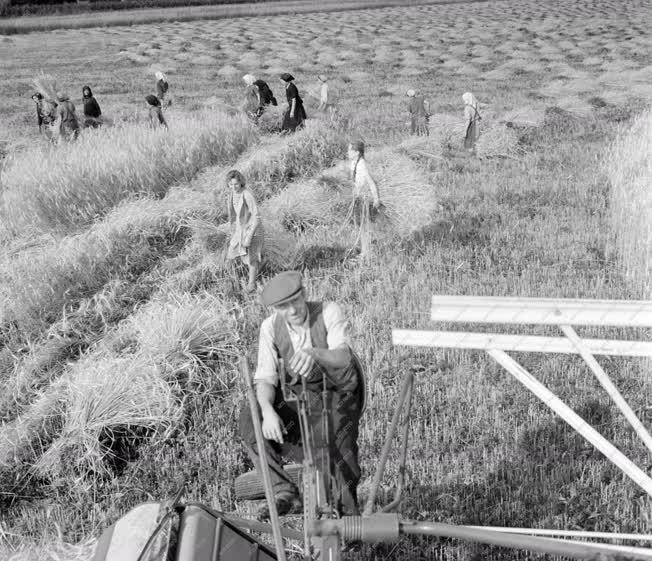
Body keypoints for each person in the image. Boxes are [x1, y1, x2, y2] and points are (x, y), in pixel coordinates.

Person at [238, 271, 365, 519]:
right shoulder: (270, 328)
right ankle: (284, 493)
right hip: (300, 395)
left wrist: (315, 353)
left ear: (304, 294)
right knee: (250, 419)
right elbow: (265, 378)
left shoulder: (328, 311)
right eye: (283, 306)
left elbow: (343, 356)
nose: (293, 310)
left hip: (337, 391)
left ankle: (348, 519)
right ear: (275, 308)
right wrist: (268, 411)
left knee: (336, 448)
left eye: (296, 300)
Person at [225, 169, 263, 293]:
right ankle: (233, 280)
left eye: (236, 184)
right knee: (230, 254)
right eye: (231, 184)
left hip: (252, 229)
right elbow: (234, 214)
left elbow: (257, 217)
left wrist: (249, 237)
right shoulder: (231, 194)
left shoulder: (247, 194)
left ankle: (251, 285)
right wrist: (231, 228)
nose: (233, 187)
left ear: (241, 182)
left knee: (251, 257)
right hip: (240, 229)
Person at [348, 140, 382, 224]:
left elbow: (371, 183)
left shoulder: (362, 165)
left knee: (363, 221)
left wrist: (376, 199)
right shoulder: (353, 162)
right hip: (357, 195)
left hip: (364, 197)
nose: (347, 152)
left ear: (356, 152)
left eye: (349, 150)